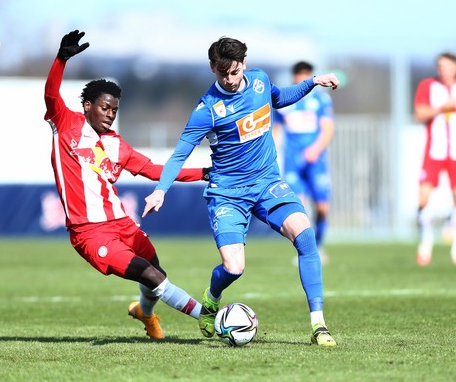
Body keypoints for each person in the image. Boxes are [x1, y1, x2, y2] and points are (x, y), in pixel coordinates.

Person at [143, 37, 339, 346]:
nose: (230, 80)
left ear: (244, 64)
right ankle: (212, 296)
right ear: (212, 69)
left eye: (235, 72)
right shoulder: (207, 109)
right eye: (223, 74)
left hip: (267, 182)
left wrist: (313, 82)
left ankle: (319, 325)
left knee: (305, 235)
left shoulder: (259, 81)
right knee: (234, 268)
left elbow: (279, 97)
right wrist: (160, 190)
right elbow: (180, 153)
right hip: (228, 194)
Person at [44, 30, 207, 340]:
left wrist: (204, 173)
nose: (110, 114)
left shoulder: (117, 145)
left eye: (114, 110)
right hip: (89, 232)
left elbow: (155, 170)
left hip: (122, 225)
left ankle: (144, 314)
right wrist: (61, 59)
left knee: (155, 272)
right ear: (88, 105)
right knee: (152, 275)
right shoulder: (66, 124)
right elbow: (51, 94)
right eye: (105, 108)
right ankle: (209, 318)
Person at [414, 52, 456, 266]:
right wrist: (442, 107)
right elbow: (420, 113)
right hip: (434, 151)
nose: (444, 70)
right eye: (440, 66)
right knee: (423, 197)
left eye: (448, 66)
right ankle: (425, 244)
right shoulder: (427, 86)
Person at [273, 61, 335, 265]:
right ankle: (306, 251)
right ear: (294, 78)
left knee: (322, 207)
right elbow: (276, 131)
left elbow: (327, 129)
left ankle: (320, 244)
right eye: (299, 76)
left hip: (316, 161)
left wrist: (315, 150)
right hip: (293, 161)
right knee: (298, 207)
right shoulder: (286, 102)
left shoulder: (321, 100)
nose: (302, 79)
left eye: (305, 75)